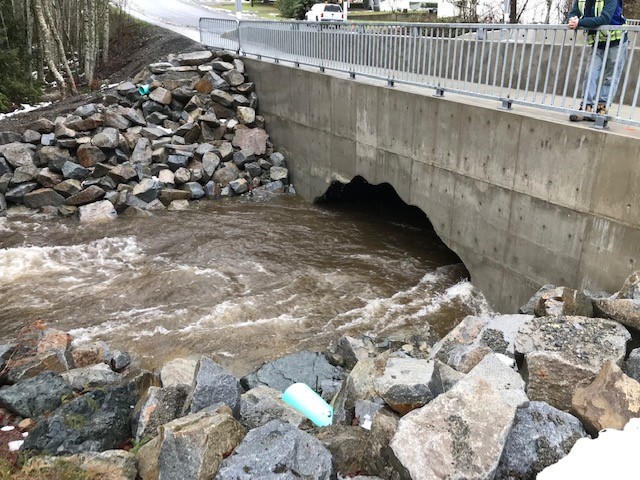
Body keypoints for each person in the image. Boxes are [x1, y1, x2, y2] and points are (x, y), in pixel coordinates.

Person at [567, 0, 628, 121]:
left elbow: (604, 18)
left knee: (611, 77)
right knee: (590, 73)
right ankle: (586, 107)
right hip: (597, 42)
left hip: (616, 41)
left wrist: (580, 22)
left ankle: (602, 108)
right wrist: (572, 19)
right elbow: (574, 12)